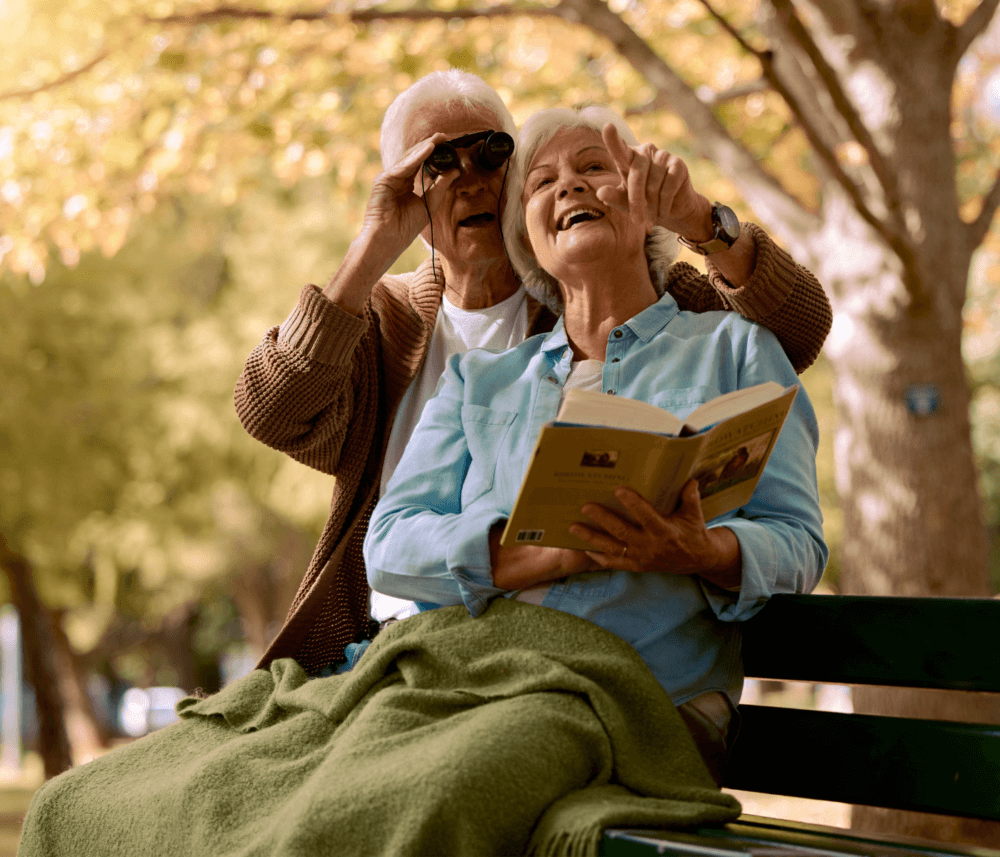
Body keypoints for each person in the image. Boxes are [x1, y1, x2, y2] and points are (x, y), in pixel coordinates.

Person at [235, 69, 833, 677]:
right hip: (392, 640)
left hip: (573, 666)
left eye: (493, 153)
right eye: (439, 162)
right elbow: (272, 411)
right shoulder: (400, 331)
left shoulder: (637, 294)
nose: (471, 179)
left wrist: (700, 221)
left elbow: (795, 331)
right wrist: (373, 244)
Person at [363, 105, 828, 781]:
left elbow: (799, 542)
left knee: (441, 777)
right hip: (477, 680)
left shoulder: (735, 350)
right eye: (542, 182)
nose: (570, 187)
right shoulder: (479, 381)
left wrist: (704, 552)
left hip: (646, 703)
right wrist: (533, 552)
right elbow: (390, 541)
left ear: (646, 210)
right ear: (527, 236)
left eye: (593, 168)